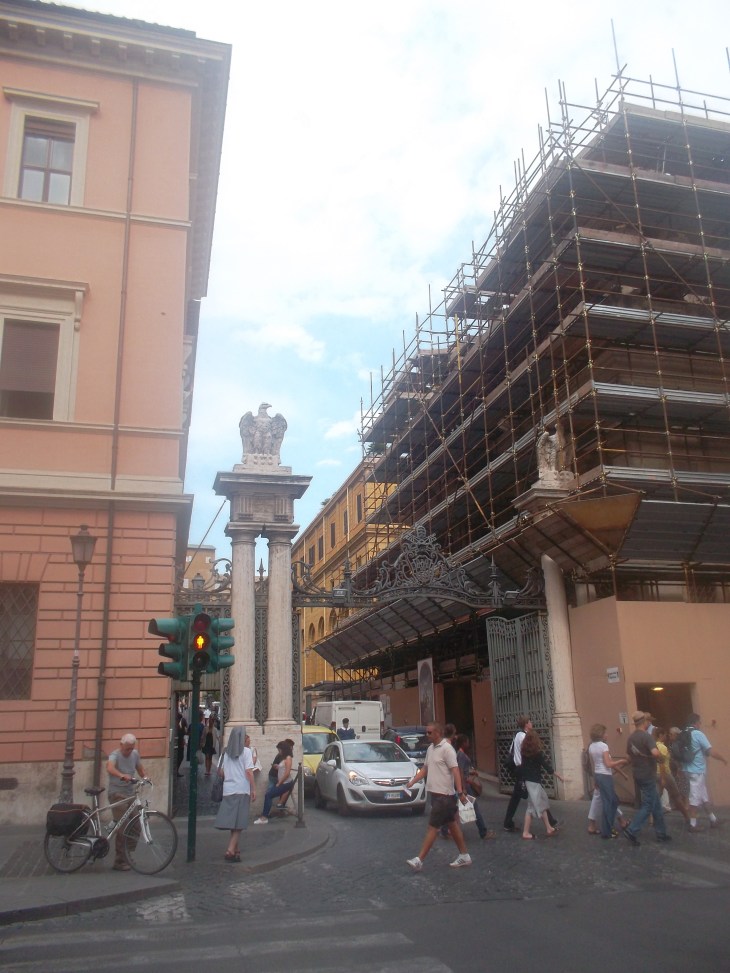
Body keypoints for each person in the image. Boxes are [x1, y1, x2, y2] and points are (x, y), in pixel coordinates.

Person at [405, 721, 471, 870]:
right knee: (452, 825)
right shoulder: (430, 749)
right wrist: (412, 782)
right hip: (435, 795)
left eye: (429, 732)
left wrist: (460, 791)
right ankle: (464, 855)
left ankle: (419, 860)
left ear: (438, 733)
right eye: (426, 732)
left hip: (444, 795)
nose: (427, 735)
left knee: (432, 828)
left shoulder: (447, 749)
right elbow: (425, 769)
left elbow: (455, 771)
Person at [503, 716, 558, 833]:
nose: (531, 723)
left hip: (520, 769)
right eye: (529, 722)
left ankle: (550, 822)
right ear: (526, 724)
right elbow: (529, 752)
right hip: (523, 770)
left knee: (524, 796)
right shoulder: (524, 736)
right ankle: (548, 824)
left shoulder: (518, 735)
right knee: (534, 795)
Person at [623, 711, 671, 846]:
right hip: (648, 774)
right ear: (644, 722)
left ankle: (661, 833)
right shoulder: (646, 737)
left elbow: (628, 757)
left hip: (637, 774)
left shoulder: (631, 738)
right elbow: (655, 753)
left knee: (655, 804)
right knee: (649, 804)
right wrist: (661, 758)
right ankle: (632, 829)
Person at [680, 713, 728, 832]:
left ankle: (713, 819)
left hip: (687, 769)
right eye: (699, 722)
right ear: (695, 722)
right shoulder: (698, 734)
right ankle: (693, 824)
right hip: (697, 771)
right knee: (695, 798)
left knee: (703, 796)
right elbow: (710, 751)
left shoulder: (684, 733)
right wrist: (723, 759)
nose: (700, 724)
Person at [106, 732, 147, 872]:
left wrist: (145, 777)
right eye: (127, 748)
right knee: (123, 827)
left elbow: (139, 768)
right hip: (117, 794)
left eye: (131, 748)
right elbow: (110, 767)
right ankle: (119, 860)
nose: (129, 751)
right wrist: (121, 775)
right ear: (121, 745)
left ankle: (127, 854)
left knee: (136, 825)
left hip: (130, 795)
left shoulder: (135, 754)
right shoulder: (115, 755)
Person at [215, 726, 255, 862]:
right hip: (242, 789)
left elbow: (220, 772)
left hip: (228, 789)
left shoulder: (225, 752)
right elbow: (249, 772)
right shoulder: (247, 752)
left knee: (234, 822)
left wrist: (231, 775)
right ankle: (230, 850)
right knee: (239, 823)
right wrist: (253, 789)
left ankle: (236, 851)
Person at [587, 723, 629, 839]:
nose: (607, 735)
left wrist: (595, 779)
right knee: (609, 803)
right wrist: (622, 761)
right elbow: (608, 764)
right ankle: (607, 830)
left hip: (599, 775)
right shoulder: (603, 746)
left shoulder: (591, 746)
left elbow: (594, 764)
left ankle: (610, 827)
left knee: (613, 801)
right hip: (606, 776)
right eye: (605, 733)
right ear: (601, 734)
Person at [520, 729, 563, 839]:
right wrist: (557, 775)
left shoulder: (523, 752)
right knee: (531, 808)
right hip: (535, 782)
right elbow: (546, 766)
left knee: (542, 803)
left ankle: (549, 828)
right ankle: (525, 833)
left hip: (529, 781)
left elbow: (523, 768)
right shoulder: (537, 753)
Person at [455, 734, 495, 840]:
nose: (468, 744)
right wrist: (463, 788)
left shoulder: (460, 754)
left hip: (464, 783)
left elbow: (463, 770)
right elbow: (461, 772)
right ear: (463, 743)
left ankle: (445, 829)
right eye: (467, 742)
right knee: (474, 807)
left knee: (454, 808)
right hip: (465, 785)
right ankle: (483, 832)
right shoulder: (461, 755)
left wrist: (472, 773)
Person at [654, 727, 690, 825]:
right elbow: (662, 763)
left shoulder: (653, 746)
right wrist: (663, 777)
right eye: (665, 735)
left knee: (657, 796)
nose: (667, 736)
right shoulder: (663, 747)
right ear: (660, 735)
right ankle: (687, 817)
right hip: (665, 773)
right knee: (677, 796)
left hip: (655, 773)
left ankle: (652, 819)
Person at [254, 740, 295, 823]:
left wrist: (279, 783)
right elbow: (283, 769)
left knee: (268, 795)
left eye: (279, 750)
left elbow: (287, 773)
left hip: (286, 783)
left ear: (283, 749)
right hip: (283, 782)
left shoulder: (288, 758)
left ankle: (264, 817)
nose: (279, 752)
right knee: (268, 795)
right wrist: (278, 767)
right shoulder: (284, 758)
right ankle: (266, 815)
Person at [175, 713, 187, 777]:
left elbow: (185, 730)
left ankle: (176, 771)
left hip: (180, 742)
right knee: (179, 757)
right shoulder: (176, 725)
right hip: (178, 743)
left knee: (180, 757)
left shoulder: (183, 721)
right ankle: (176, 771)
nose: (179, 720)